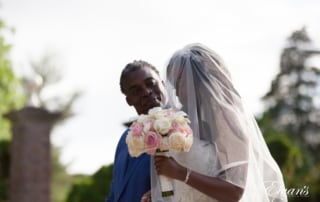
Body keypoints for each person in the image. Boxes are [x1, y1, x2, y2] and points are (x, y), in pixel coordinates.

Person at [151, 43, 288, 202]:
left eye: (180, 81)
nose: (175, 90)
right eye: (172, 82)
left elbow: (234, 191)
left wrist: (180, 173)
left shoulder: (227, 121)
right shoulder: (181, 121)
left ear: (200, 79)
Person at [106, 60, 166, 202]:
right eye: (136, 91)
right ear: (129, 101)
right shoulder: (124, 139)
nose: (146, 92)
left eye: (150, 83)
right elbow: (116, 193)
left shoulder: (183, 131)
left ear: (163, 84)